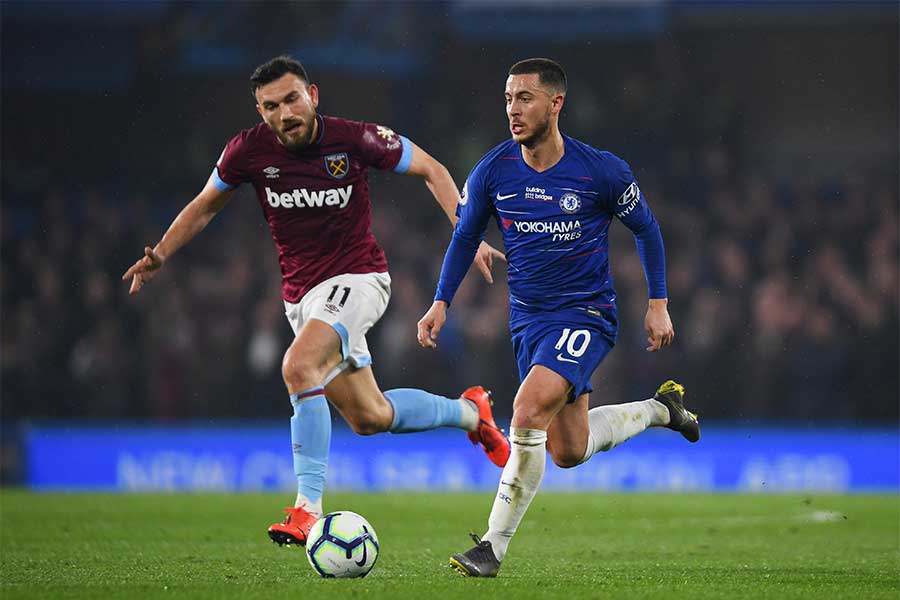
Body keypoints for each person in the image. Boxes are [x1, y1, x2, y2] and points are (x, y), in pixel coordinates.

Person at [122, 55, 510, 547]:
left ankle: (307, 509)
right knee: (371, 417)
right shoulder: (247, 150)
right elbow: (205, 205)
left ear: (313, 96)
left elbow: (431, 169)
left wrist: (465, 230)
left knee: (298, 366)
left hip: (359, 279)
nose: (284, 113)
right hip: (302, 300)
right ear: (260, 112)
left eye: (291, 99)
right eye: (271, 106)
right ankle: (471, 413)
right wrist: (160, 253)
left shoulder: (355, 139)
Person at [416, 58, 700, 577]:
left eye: (525, 98)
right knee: (568, 450)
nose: (513, 109)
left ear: (555, 104)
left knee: (526, 412)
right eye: (508, 98)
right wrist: (441, 301)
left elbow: (647, 229)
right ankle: (661, 410)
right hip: (529, 321)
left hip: (586, 313)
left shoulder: (601, 171)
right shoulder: (492, 171)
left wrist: (657, 303)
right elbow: (465, 236)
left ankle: (491, 548)